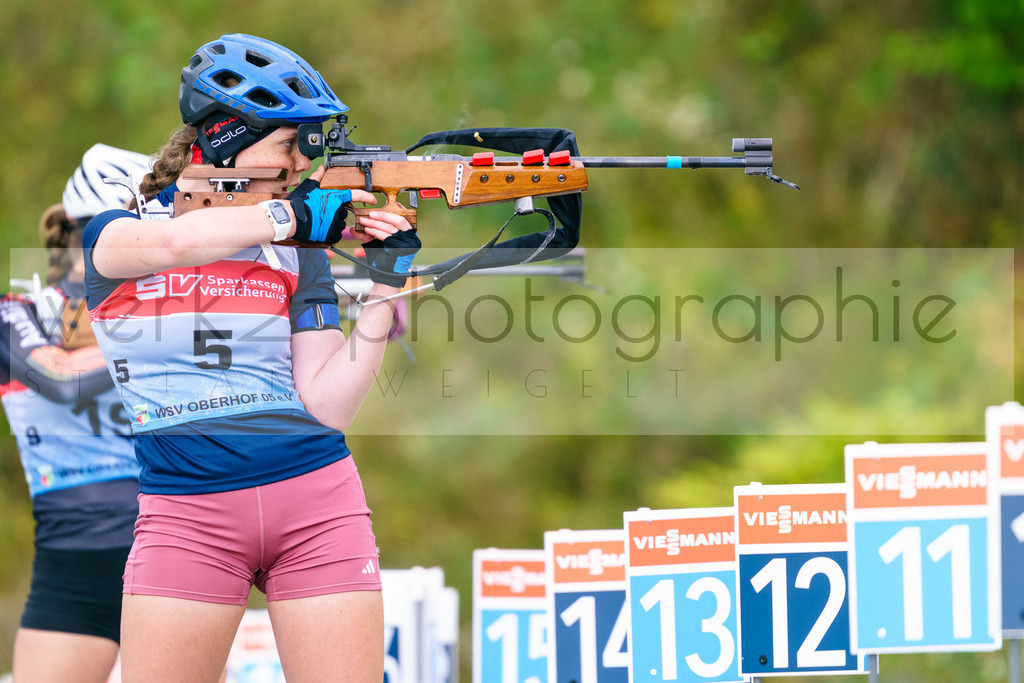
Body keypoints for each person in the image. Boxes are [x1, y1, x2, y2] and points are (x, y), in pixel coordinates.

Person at [82, 34, 420, 683]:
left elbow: (327, 404)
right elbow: (177, 244)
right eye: (289, 143)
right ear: (226, 137)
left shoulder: (297, 250)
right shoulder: (116, 233)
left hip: (316, 502)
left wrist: (386, 286)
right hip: (187, 516)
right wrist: (287, 215)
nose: (303, 162)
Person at [1, 144, 151, 682]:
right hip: (70, 566)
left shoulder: (172, 311)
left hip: (170, 549)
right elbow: (59, 379)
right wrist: (161, 338)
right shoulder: (16, 311)